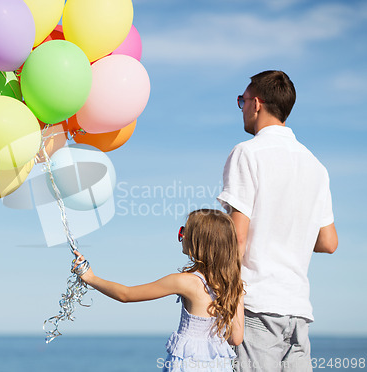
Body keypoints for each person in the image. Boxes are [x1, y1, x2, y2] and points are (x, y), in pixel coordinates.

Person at [217, 70, 338, 371]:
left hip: (257, 308)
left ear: (256, 103)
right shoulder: (316, 166)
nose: (242, 107)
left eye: (241, 100)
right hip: (297, 313)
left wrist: (225, 301)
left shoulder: (247, 153)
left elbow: (238, 239)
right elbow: (329, 242)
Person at [73, 209, 244, 372]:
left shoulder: (185, 281)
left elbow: (126, 294)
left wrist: (91, 278)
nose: (181, 235)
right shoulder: (235, 286)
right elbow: (236, 338)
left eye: (184, 231)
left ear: (198, 241)